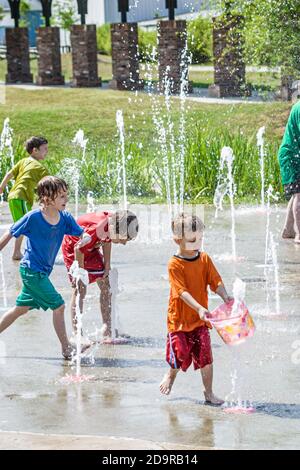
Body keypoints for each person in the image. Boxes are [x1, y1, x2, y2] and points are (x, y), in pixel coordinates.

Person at [0, 176, 86, 360]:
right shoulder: (34, 218)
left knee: (19, 309)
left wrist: (87, 238)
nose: (66, 200)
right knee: (59, 305)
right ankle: (66, 348)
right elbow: (11, 231)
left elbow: (81, 234)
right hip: (31, 271)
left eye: (66, 195)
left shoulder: (65, 218)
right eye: (61, 196)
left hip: (42, 272)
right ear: (47, 198)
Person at [159, 213, 233, 405]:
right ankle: (171, 375)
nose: (198, 243)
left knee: (206, 357)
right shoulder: (174, 264)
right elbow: (181, 292)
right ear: (178, 240)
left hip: (200, 320)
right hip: (180, 320)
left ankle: (208, 393)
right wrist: (200, 307)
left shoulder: (204, 259)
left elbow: (215, 281)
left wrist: (225, 295)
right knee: (180, 353)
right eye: (192, 240)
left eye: (200, 238)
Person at [62, 210, 139, 341]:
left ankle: (107, 327)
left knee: (106, 284)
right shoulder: (96, 229)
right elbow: (78, 249)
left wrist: (107, 264)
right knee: (80, 289)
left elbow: (106, 241)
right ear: (117, 231)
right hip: (74, 248)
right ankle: (77, 333)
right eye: (123, 239)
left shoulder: (113, 224)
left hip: (91, 248)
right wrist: (81, 273)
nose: (124, 243)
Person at [0, 136, 48, 259]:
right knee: (30, 225)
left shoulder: (23, 161)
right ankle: (35, 253)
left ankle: (17, 252)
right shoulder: (39, 167)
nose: (46, 151)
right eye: (44, 149)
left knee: (21, 225)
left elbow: (9, 174)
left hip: (14, 196)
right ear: (35, 150)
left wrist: (1, 187)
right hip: (21, 197)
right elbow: (49, 184)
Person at [278, 101, 300, 243]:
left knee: (295, 194)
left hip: (293, 155)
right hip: (291, 157)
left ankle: (289, 230)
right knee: (299, 194)